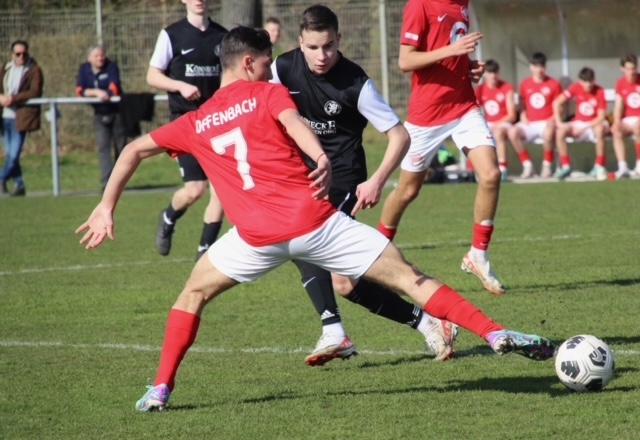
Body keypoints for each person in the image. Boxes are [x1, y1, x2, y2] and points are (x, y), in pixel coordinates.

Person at [75, 26, 555, 412]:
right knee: (410, 277)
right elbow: (294, 123)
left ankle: (160, 388)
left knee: (192, 294)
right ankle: (493, 331)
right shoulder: (266, 94)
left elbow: (133, 149)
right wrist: (320, 157)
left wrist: (105, 206)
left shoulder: (196, 121)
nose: (270, 70)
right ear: (250, 63)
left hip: (254, 238)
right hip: (314, 222)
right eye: (266, 62)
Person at [271, 4, 456, 365]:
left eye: (328, 46)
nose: (321, 56)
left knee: (305, 239)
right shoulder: (283, 67)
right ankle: (429, 322)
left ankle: (333, 330)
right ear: (300, 42)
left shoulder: (356, 82)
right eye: (312, 47)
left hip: (343, 179)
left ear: (339, 39)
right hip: (303, 177)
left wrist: (376, 181)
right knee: (344, 283)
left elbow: (400, 136)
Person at [377, 0, 506, 296]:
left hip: (464, 107)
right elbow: (406, 61)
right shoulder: (420, 5)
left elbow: (449, 55)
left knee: (491, 175)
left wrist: (468, 67)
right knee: (408, 191)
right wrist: (452, 51)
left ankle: (478, 255)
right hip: (426, 115)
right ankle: (377, 253)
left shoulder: (463, 5)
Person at [148, 0, 227, 261]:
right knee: (195, 189)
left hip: (217, 123)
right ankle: (168, 217)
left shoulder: (222, 36)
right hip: (185, 123)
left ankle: (204, 252)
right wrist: (180, 86)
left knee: (221, 192)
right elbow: (152, 76)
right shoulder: (171, 34)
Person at [76, 44, 127, 191]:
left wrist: (107, 94)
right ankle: (107, 184)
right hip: (99, 114)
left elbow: (114, 88)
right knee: (104, 149)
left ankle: (120, 182)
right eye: (96, 56)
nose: (100, 58)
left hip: (118, 113)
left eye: (102, 55)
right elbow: (80, 90)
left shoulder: (111, 67)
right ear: (89, 58)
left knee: (121, 149)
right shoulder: (84, 69)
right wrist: (96, 92)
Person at [507, 52, 563, 179]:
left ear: (545, 67)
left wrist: (552, 119)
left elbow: (560, 108)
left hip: (547, 122)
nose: (539, 70)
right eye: (536, 66)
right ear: (531, 67)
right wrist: (523, 115)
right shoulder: (524, 84)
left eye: (541, 66)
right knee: (512, 132)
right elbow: (522, 105)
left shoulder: (554, 84)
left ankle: (547, 165)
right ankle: (527, 165)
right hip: (530, 123)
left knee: (549, 132)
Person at [0, 40, 43, 197]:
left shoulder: (34, 70)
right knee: (10, 155)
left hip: (21, 118)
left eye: (24, 54)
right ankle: (19, 185)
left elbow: (35, 91)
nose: (21, 57)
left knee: (14, 155)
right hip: (4, 117)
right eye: (18, 54)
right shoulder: (6, 68)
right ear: (12, 54)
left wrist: (13, 99)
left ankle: (1, 178)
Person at [552, 67, 609, 181]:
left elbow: (601, 117)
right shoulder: (575, 87)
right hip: (579, 123)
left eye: (590, 81)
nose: (588, 84)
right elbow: (556, 102)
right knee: (560, 132)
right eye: (585, 81)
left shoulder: (600, 91)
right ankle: (566, 166)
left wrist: (583, 128)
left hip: (593, 123)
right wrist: (559, 122)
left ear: (594, 80)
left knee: (600, 130)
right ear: (580, 81)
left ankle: (599, 165)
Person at [475, 59, 516, 181]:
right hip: (489, 124)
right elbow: (475, 109)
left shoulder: (507, 87)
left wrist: (497, 124)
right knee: (476, 135)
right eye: (490, 72)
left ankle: (503, 168)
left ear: (499, 73)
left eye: (495, 72)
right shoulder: (480, 89)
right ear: (485, 74)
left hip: (505, 122)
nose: (493, 75)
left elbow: (512, 115)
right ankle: (477, 169)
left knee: (498, 132)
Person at [611, 53, 640, 178]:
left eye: (633, 69)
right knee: (616, 130)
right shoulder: (620, 83)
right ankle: (623, 167)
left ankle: (639, 164)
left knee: (639, 127)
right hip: (628, 119)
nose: (631, 72)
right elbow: (618, 106)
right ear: (622, 69)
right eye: (628, 69)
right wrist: (617, 121)